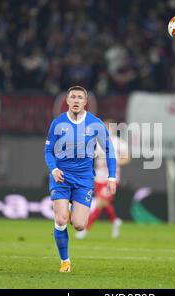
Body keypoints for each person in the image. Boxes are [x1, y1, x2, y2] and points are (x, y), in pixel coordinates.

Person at [44, 86, 116, 272]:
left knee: (79, 225)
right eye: (73, 97)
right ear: (67, 101)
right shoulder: (58, 123)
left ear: (85, 102)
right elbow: (48, 151)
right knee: (61, 220)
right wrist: (53, 170)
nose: (76, 100)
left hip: (84, 180)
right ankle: (65, 261)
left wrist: (112, 177)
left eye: (79, 98)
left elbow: (109, 150)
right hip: (61, 178)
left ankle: (66, 210)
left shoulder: (95, 124)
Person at [75, 119, 130, 239]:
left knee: (100, 203)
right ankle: (115, 221)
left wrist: (115, 161)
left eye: (109, 127)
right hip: (98, 177)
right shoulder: (97, 142)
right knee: (104, 203)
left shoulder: (119, 143)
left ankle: (85, 229)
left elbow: (127, 158)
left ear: (113, 129)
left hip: (112, 177)